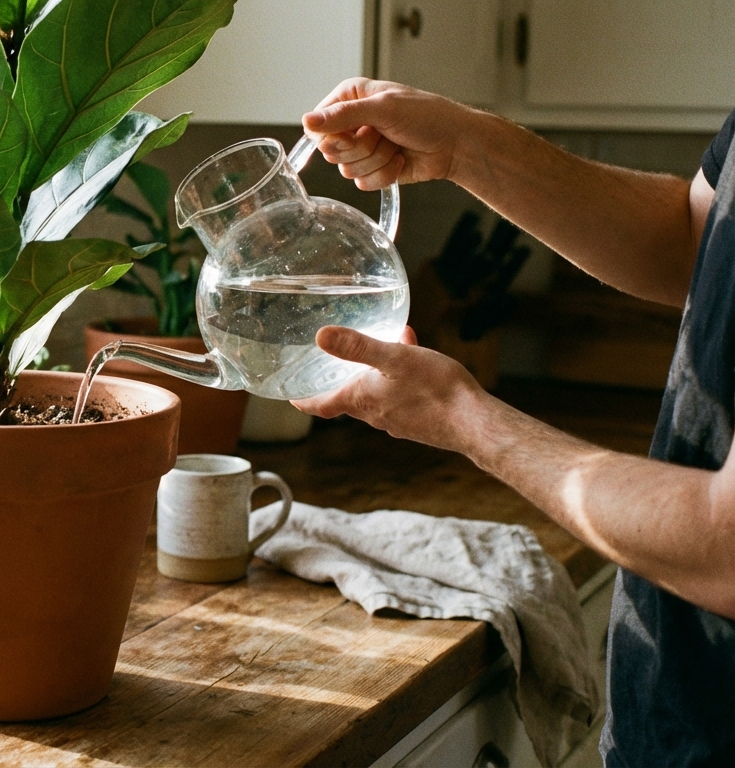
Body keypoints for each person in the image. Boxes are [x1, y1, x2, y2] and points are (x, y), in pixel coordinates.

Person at [291, 78, 735, 765]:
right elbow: (692, 237)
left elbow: (726, 550)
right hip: (672, 721)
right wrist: (467, 145)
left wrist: (461, 418)